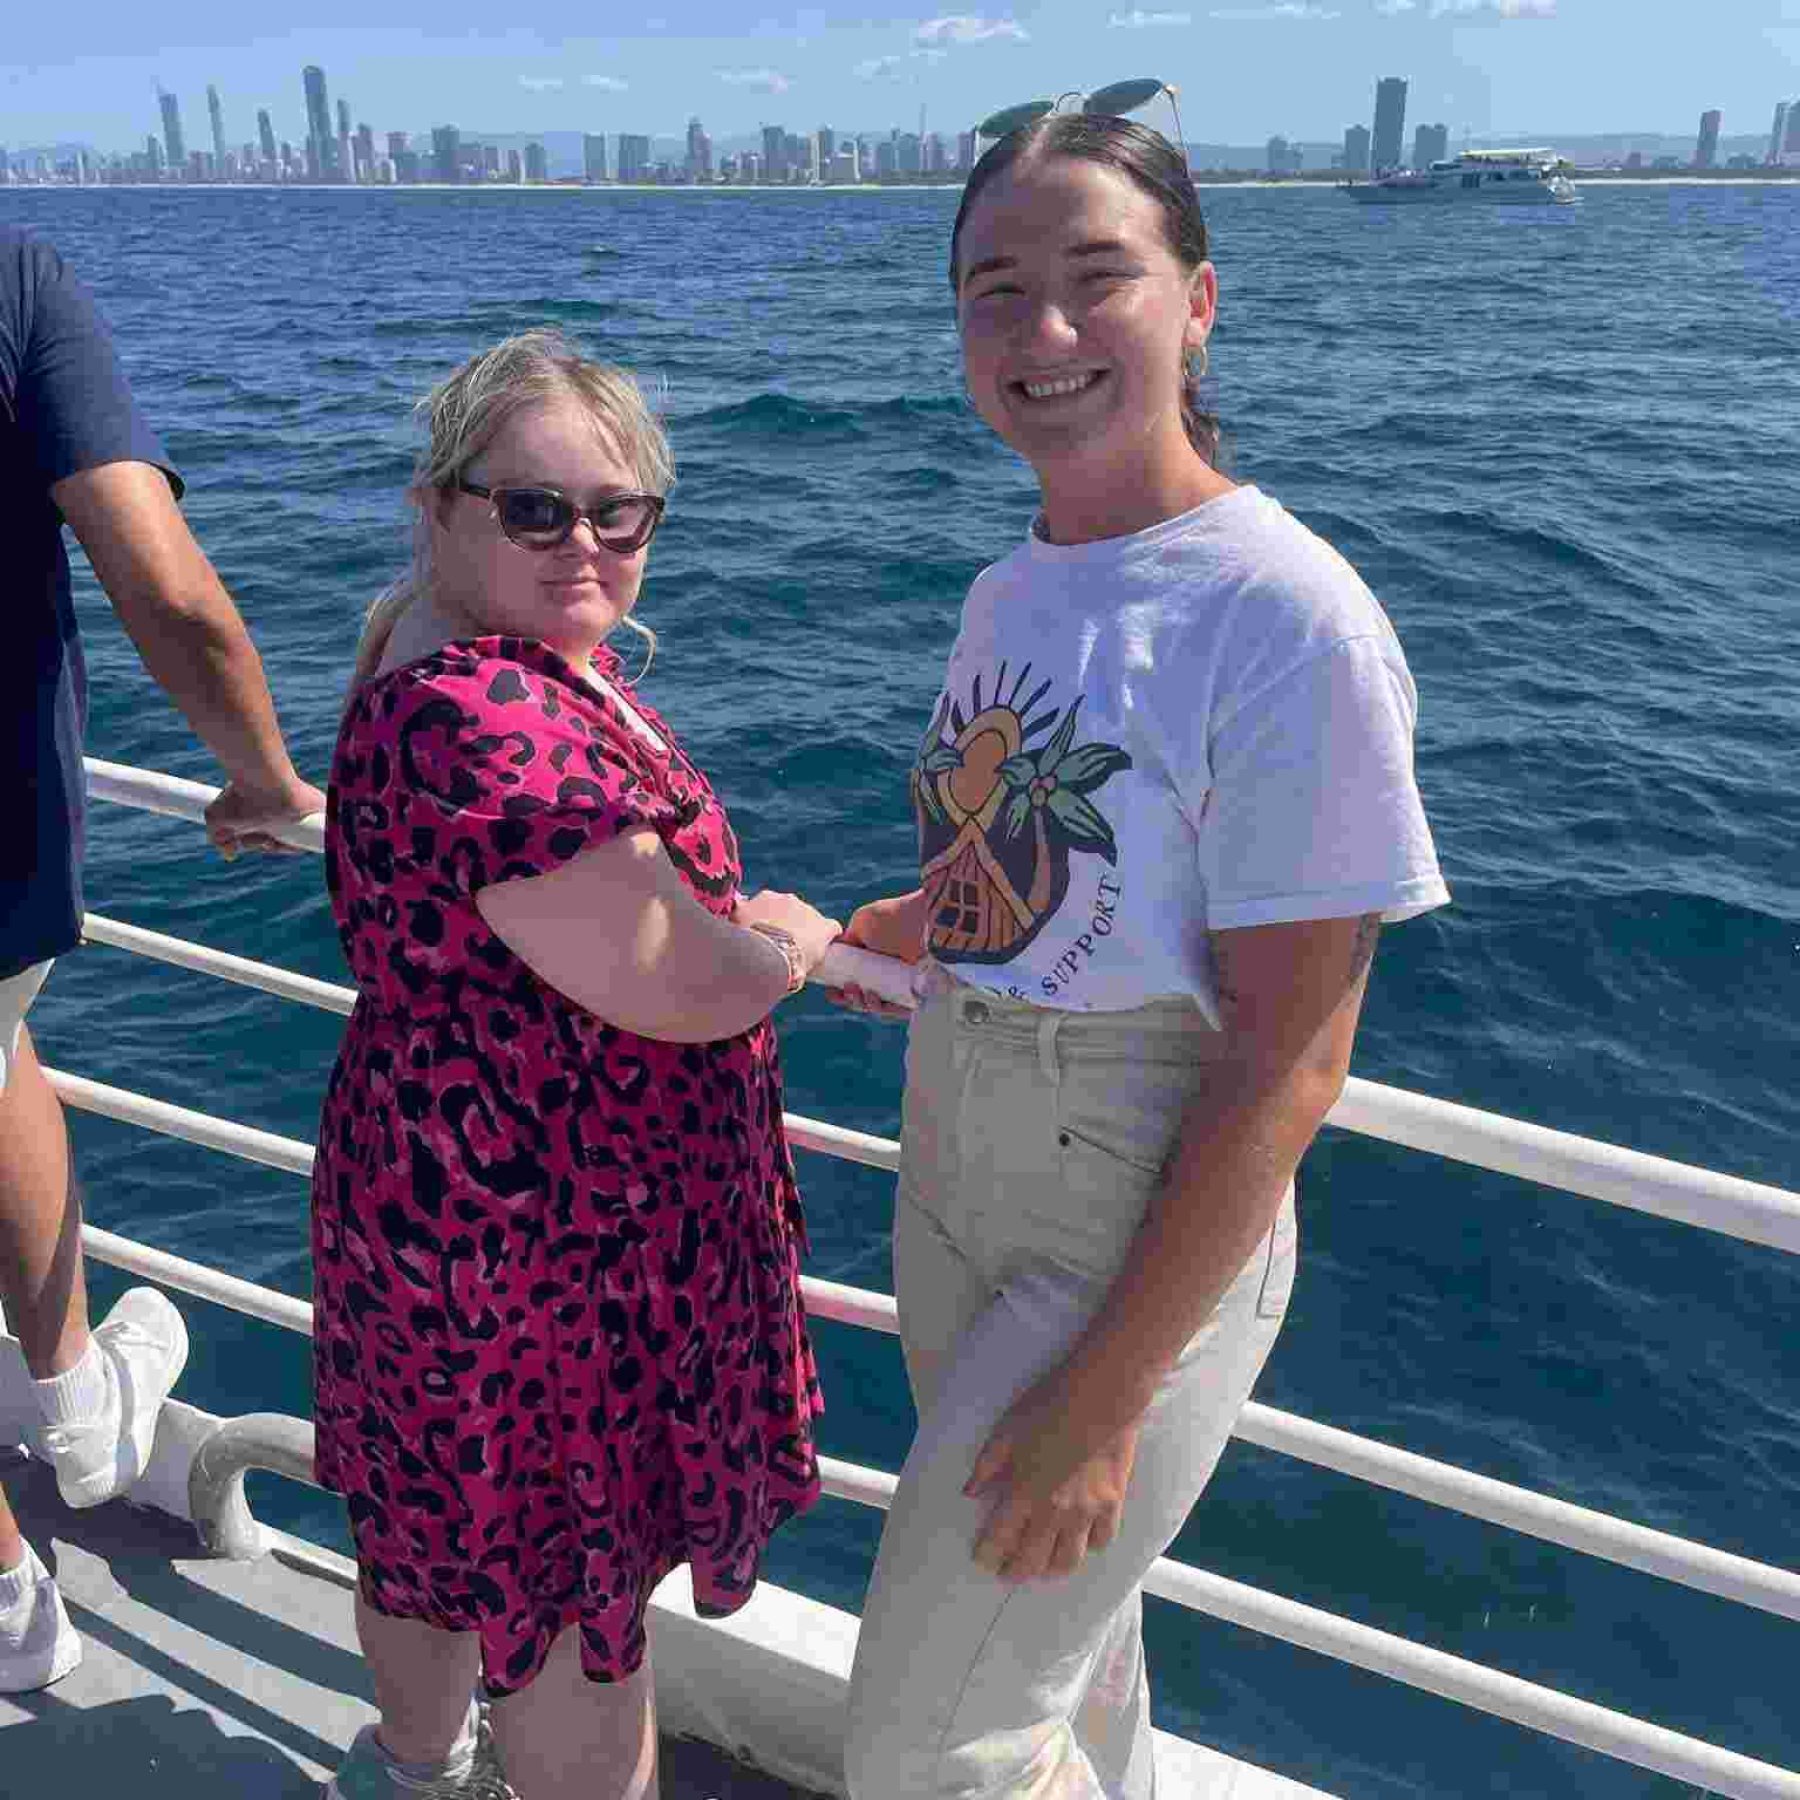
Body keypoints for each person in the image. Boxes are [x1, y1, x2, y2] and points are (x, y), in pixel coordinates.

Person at [833, 115, 1450, 1797]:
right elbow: (1027, 875)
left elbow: (1291, 1057)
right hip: (953, 1162)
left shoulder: (1283, 614)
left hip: (1130, 1211)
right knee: (1068, 1655)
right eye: (995, 289)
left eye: (1096, 276)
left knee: (930, 1745)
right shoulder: (1012, 589)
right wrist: (874, 933)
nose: (1042, 330)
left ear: (1199, 301)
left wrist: (1110, 1395)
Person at [313, 330, 839, 1800]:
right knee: (568, 1611)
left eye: (620, 512)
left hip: (433, 1207)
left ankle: (410, 1773)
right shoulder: (485, 714)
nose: (584, 544)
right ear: (439, 508)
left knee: (433, 1536)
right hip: (543, 1252)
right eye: (535, 510)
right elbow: (676, 984)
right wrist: (792, 943)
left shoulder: (431, 636)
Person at [0, 226, 323, 1694]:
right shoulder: (15, 278)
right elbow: (165, 586)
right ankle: (16, 1598)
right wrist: (263, 776)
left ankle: (73, 1403)